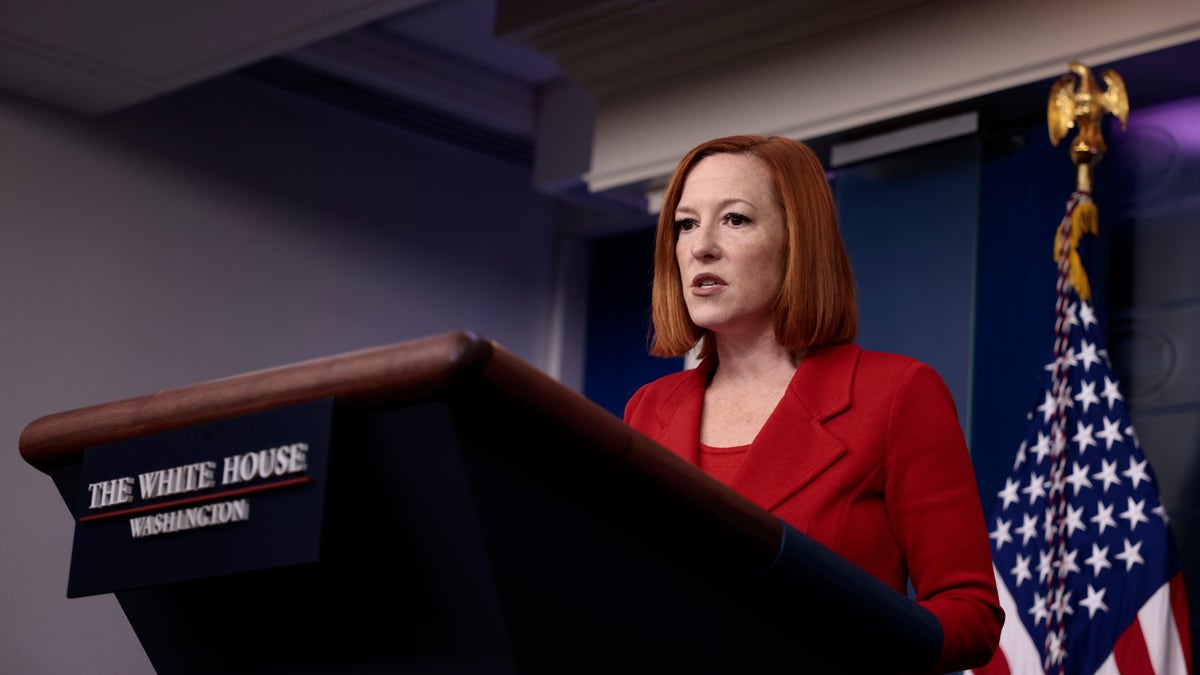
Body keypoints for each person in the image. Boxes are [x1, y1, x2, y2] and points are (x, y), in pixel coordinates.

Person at [623, 134, 1003, 673]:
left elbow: (971, 612)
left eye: (734, 219)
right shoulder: (648, 408)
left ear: (797, 240)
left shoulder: (896, 393)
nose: (700, 246)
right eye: (685, 224)